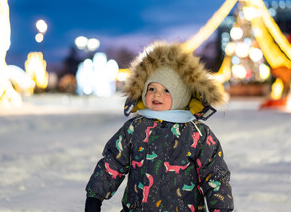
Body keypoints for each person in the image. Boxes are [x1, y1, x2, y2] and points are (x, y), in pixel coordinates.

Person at [85, 42, 234, 212]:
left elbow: (214, 175)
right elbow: (113, 162)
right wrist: (94, 196)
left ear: (181, 95)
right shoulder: (135, 128)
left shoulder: (198, 133)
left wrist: (221, 207)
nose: (157, 94)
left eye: (167, 90)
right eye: (152, 88)